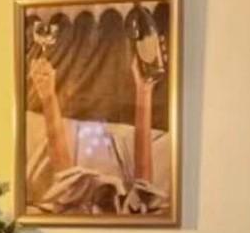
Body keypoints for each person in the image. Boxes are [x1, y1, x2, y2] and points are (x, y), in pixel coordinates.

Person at [25, 13, 169, 216]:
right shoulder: (131, 209)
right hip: (123, 113)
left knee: (93, 23)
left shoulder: (77, 207)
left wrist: (48, 97)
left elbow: (65, 179)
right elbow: (143, 186)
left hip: (77, 101)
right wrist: (144, 91)